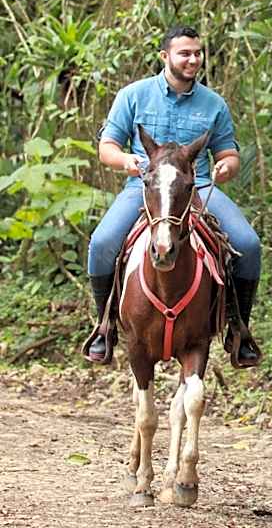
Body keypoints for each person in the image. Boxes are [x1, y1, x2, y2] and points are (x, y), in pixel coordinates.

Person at [85, 24, 261, 367]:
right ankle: (104, 325)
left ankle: (239, 328)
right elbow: (107, 147)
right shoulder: (133, 95)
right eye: (185, 53)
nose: (193, 60)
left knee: (248, 243)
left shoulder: (214, 104)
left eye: (197, 53)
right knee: (103, 242)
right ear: (165, 56)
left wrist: (226, 166)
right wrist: (126, 161)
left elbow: (228, 154)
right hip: (144, 187)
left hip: (197, 189)